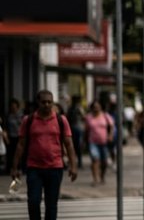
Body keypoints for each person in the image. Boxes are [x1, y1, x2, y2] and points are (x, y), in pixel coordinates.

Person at [11, 90, 78, 220]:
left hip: (55, 168)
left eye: (49, 102)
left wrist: (73, 166)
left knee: (51, 205)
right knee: (33, 202)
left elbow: (69, 144)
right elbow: (20, 145)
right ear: (38, 102)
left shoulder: (61, 120)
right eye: (43, 102)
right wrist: (15, 167)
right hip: (34, 168)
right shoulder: (28, 120)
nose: (47, 105)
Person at [84, 101, 113, 186]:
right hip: (92, 142)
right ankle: (95, 179)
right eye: (94, 107)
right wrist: (84, 141)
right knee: (95, 159)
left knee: (104, 162)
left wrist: (110, 135)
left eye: (98, 106)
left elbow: (111, 126)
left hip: (104, 142)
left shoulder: (105, 115)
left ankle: (102, 176)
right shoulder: (89, 117)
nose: (96, 108)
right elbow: (86, 130)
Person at [66, 96, 86, 169]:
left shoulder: (73, 108)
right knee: (74, 146)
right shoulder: (73, 108)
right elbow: (84, 117)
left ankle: (77, 162)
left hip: (76, 128)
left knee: (75, 146)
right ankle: (75, 162)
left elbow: (83, 117)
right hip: (75, 128)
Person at [6, 99, 23, 175]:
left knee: (19, 153)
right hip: (11, 136)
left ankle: (19, 167)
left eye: (15, 107)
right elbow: (7, 126)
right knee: (11, 153)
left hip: (18, 136)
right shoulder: (8, 116)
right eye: (12, 107)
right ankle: (11, 168)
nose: (13, 108)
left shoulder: (20, 115)